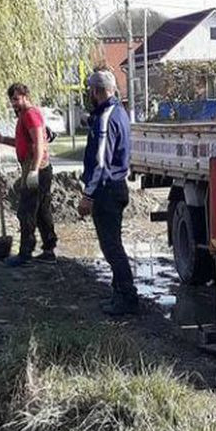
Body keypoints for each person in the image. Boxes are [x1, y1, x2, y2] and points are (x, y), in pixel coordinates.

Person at [78, 69, 138, 316]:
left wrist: (87, 196)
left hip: (107, 190)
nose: (90, 95)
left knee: (112, 247)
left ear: (97, 91)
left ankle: (127, 297)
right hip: (117, 187)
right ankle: (119, 295)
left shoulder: (106, 119)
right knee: (113, 245)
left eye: (92, 91)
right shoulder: (118, 113)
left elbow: (101, 162)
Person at [0, 83, 57, 266]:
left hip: (38, 169)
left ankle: (25, 254)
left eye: (16, 99)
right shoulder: (24, 116)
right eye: (12, 100)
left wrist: (34, 170)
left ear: (25, 96)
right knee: (42, 211)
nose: (14, 104)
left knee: (26, 211)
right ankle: (49, 251)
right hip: (35, 168)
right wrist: (2, 139)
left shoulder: (31, 115)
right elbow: (23, 143)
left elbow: (39, 144)